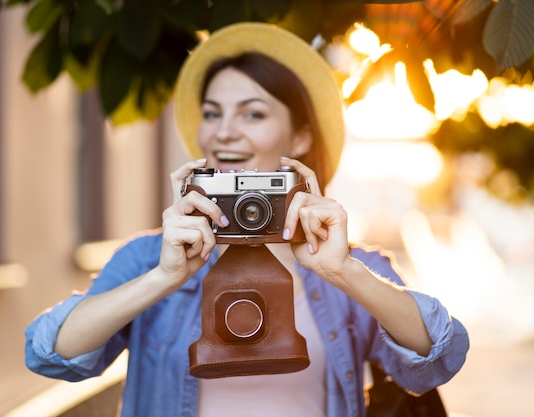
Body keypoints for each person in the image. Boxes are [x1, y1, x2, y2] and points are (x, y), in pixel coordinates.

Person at [25, 22, 469, 417]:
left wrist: (344, 271)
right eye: (213, 113)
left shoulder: (345, 267)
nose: (224, 131)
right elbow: (48, 352)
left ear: (299, 137)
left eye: (252, 113)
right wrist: (163, 277)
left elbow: (440, 357)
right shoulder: (149, 259)